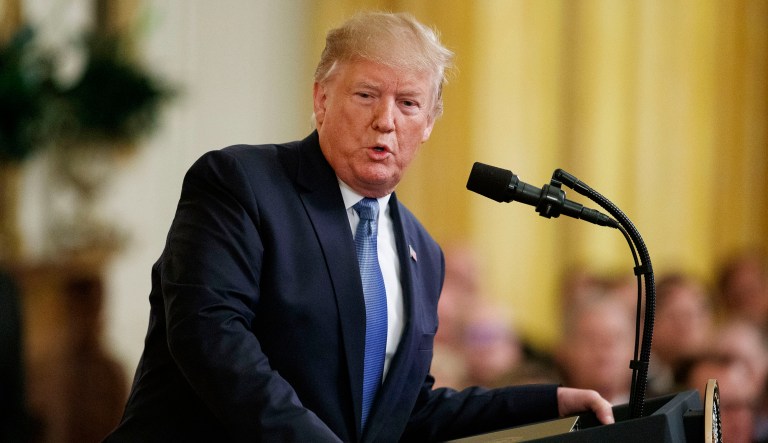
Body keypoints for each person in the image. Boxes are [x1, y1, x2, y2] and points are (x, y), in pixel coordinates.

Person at [105, 11, 613, 442]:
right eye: (367, 95)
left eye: (408, 103)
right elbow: (210, 338)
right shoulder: (240, 184)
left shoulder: (422, 251)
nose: (386, 121)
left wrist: (551, 400)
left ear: (429, 122)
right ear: (322, 100)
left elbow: (402, 412)